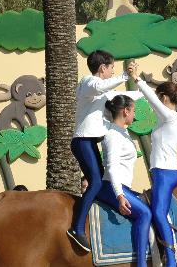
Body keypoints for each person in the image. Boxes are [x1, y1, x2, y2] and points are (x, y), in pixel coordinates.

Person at [68, 50, 130, 251]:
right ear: (102, 67)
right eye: (111, 68)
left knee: (100, 180)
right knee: (95, 181)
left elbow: (123, 97)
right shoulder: (88, 82)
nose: (113, 72)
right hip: (82, 141)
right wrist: (125, 76)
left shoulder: (102, 91)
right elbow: (101, 85)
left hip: (88, 142)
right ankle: (77, 228)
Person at [132, 63, 177, 267]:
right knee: (158, 212)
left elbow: (152, 101)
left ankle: (172, 261)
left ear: (164, 98)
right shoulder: (168, 120)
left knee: (158, 213)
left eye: (159, 97)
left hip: (165, 172)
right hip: (163, 172)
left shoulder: (170, 116)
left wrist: (138, 79)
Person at [97, 94, 152, 267]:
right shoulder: (113, 134)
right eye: (133, 111)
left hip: (122, 187)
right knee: (145, 214)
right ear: (125, 111)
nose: (134, 115)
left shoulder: (123, 132)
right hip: (112, 187)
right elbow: (112, 167)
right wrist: (120, 196)